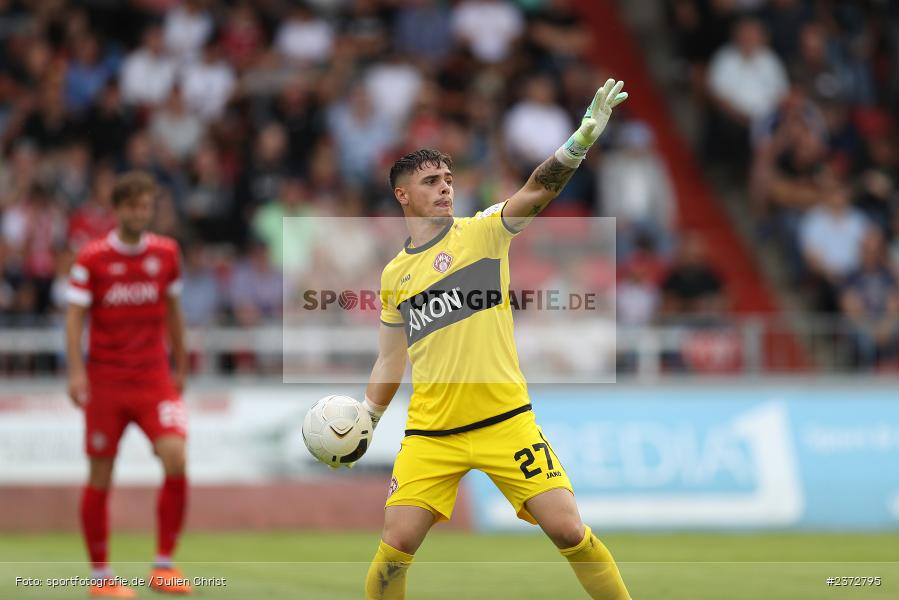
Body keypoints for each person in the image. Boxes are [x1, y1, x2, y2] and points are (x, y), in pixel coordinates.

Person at [357, 79, 632, 599]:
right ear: (402, 195)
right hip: (432, 433)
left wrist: (579, 143)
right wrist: (367, 419)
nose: (444, 188)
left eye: (447, 178)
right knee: (393, 552)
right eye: (430, 180)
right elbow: (389, 360)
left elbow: (537, 188)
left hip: (506, 420)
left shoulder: (483, 232)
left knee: (569, 529)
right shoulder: (394, 275)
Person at [65, 172, 190, 598]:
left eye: (146, 205)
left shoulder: (167, 253)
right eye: (133, 205)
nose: (140, 212)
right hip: (106, 381)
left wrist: (181, 361)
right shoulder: (92, 258)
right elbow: (74, 317)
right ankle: (101, 578)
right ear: (117, 209)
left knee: (175, 455)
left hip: (153, 378)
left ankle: (163, 566)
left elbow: (173, 310)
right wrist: (76, 371)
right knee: (101, 473)